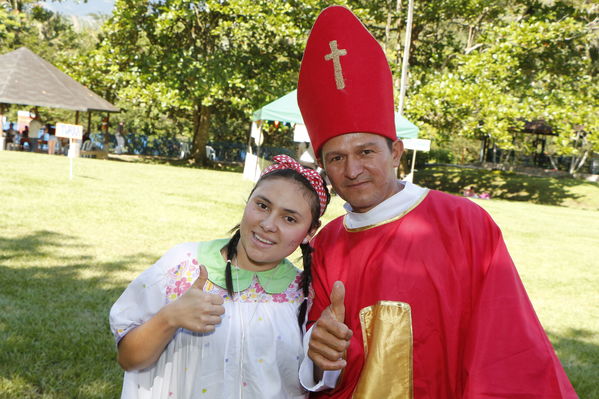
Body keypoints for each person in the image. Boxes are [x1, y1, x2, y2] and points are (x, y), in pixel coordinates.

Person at [296, 6, 577, 399]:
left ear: (396, 151)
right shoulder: (327, 244)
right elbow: (320, 348)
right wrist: (317, 350)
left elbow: (507, 345)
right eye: (336, 158)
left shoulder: (463, 223)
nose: (353, 169)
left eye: (366, 152)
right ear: (324, 165)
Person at [110, 155, 330, 398]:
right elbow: (129, 359)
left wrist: (326, 354)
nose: (268, 224)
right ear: (248, 202)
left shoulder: (305, 295)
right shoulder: (183, 267)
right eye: (262, 205)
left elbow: (313, 380)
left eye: (289, 218)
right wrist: (169, 318)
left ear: (311, 231)